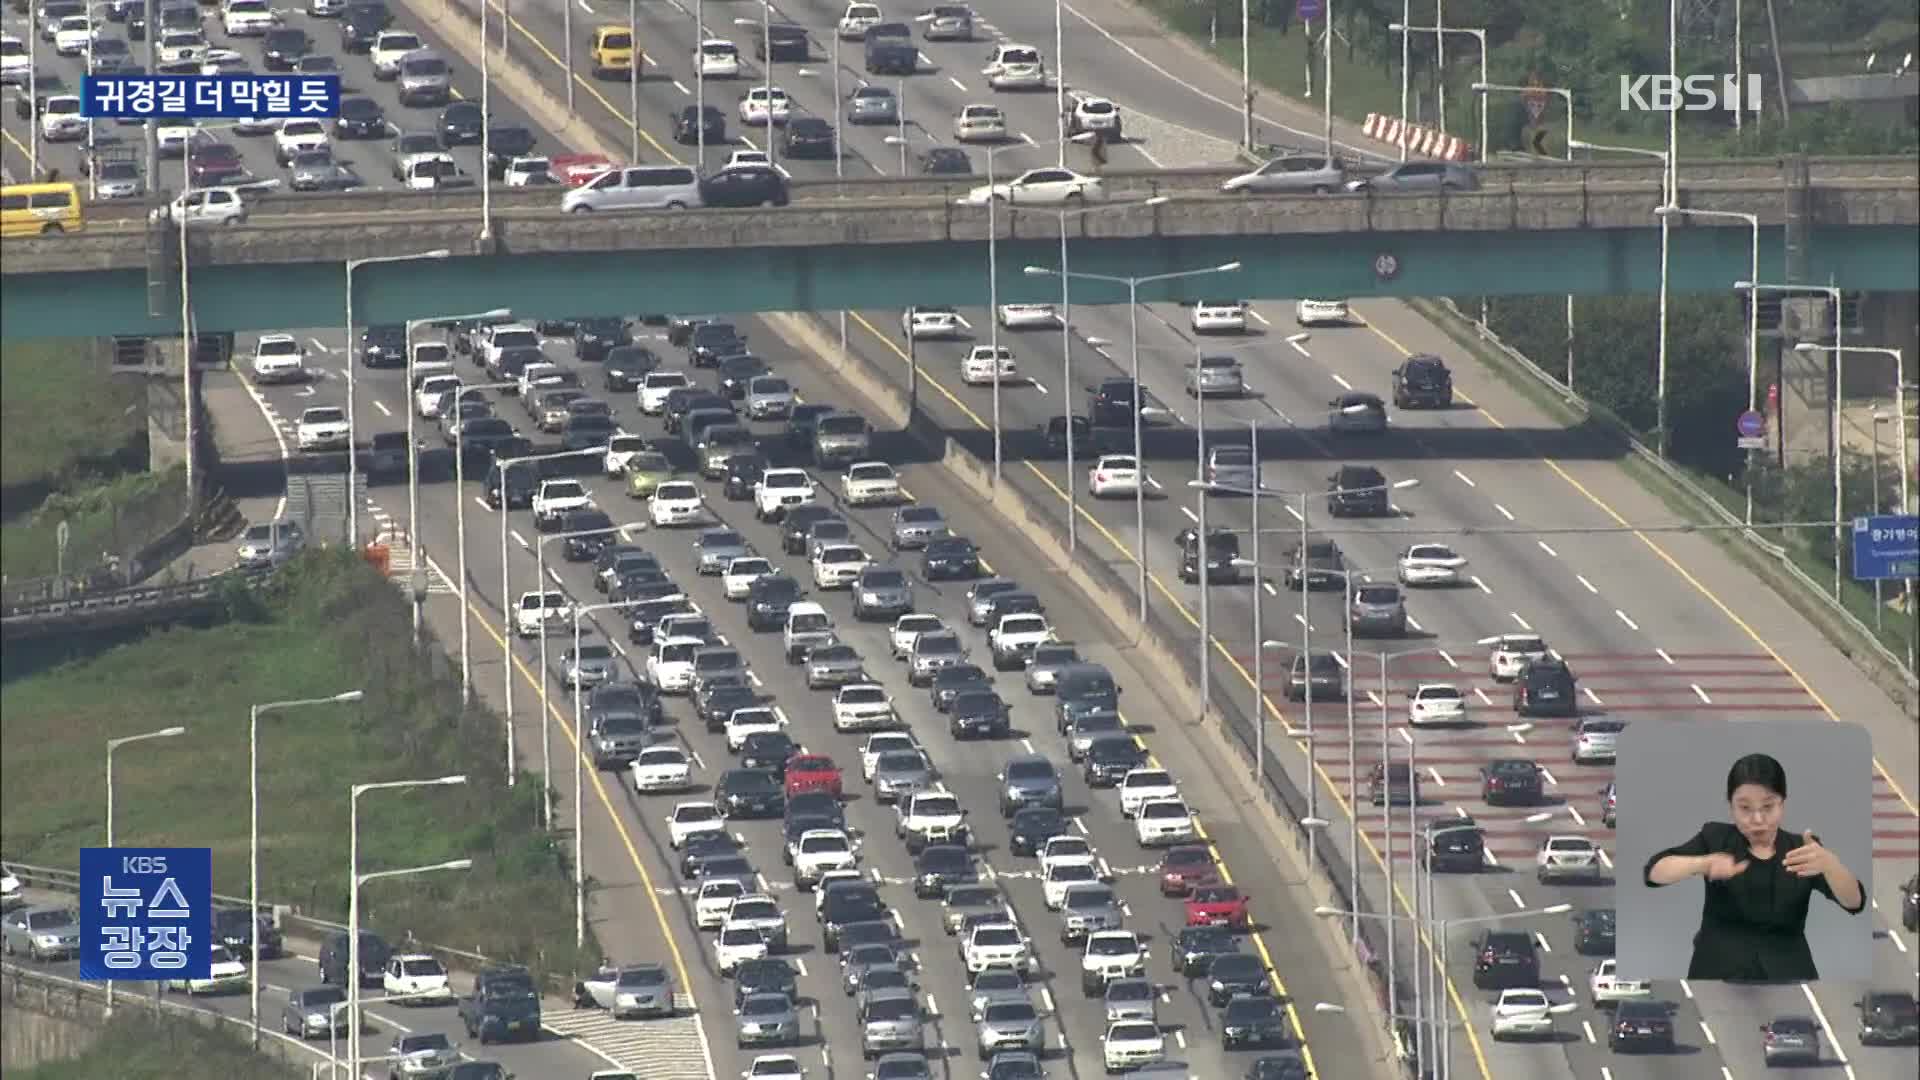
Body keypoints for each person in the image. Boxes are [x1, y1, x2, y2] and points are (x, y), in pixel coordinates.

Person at [1644, 752, 1865, 981]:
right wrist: (1702, 863)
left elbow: (1854, 902)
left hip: (1788, 975)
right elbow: (1654, 871)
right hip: (1717, 974)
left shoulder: (1803, 850)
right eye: (1745, 808)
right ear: (1731, 807)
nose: (1757, 819)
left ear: (1782, 805)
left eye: (1768, 807)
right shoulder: (1716, 838)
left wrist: (1830, 864)